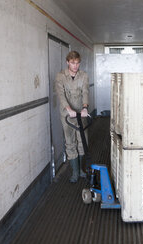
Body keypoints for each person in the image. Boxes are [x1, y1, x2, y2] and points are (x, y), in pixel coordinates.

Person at [55, 51, 89, 183]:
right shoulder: (60, 76)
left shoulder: (83, 75)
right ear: (67, 62)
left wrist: (85, 107)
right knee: (70, 142)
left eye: (77, 63)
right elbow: (61, 94)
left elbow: (85, 91)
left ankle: (81, 170)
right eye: (73, 63)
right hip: (67, 115)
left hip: (81, 113)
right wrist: (68, 109)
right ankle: (74, 172)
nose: (75, 66)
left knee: (82, 141)